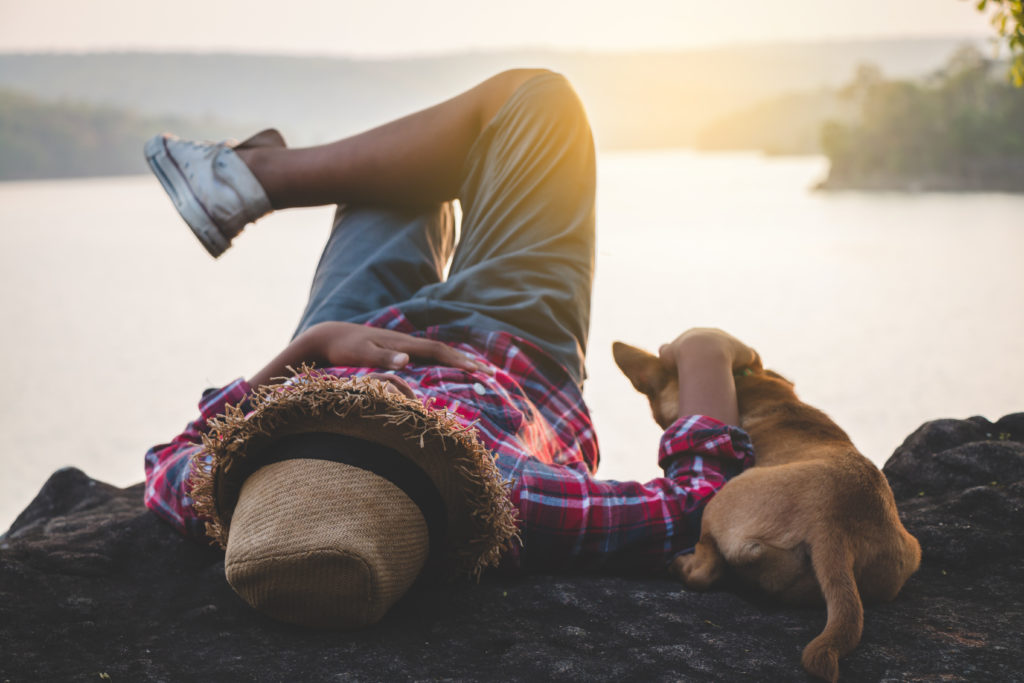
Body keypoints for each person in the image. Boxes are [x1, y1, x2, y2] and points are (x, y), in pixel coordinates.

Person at [143, 69, 757, 624]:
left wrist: (315, 348)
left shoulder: (240, 498)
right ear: (436, 478)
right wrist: (705, 348)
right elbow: (697, 504)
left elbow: (166, 460)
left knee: (395, 170)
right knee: (539, 101)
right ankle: (253, 174)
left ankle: (246, 175)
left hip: (345, 326)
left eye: (324, 407)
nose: (373, 390)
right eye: (382, 424)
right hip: (506, 335)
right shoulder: (513, 493)